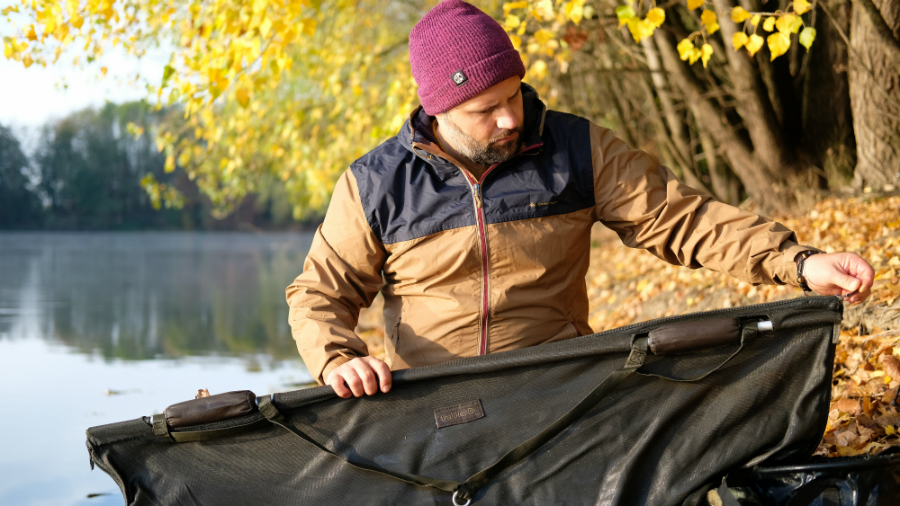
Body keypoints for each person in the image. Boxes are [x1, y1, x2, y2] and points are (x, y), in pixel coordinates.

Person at [286, 0, 874, 399]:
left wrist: (798, 262)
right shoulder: (373, 183)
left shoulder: (576, 147)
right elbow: (319, 293)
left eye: (513, 94)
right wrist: (338, 359)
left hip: (563, 391)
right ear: (438, 110)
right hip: (434, 406)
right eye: (484, 109)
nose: (510, 117)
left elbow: (679, 217)